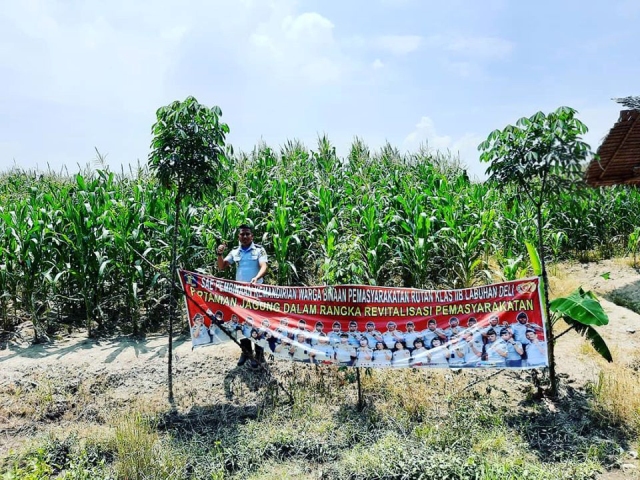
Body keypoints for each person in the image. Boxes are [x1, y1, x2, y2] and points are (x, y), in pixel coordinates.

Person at [217, 224, 268, 367]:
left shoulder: (259, 250)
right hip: (240, 295)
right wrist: (219, 254)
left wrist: (256, 278)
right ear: (238, 237)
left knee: (257, 323)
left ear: (252, 236)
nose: (245, 237)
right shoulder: (235, 251)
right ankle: (246, 352)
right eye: (242, 234)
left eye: (247, 234)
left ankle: (259, 354)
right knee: (241, 323)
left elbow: (264, 266)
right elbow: (222, 267)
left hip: (256, 293)